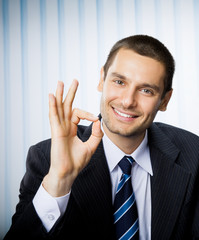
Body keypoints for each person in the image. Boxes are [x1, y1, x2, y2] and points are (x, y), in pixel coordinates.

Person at [4, 35, 199, 240]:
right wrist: (60, 180)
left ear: (164, 101)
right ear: (102, 79)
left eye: (146, 90)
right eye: (119, 81)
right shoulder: (46, 158)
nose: (127, 101)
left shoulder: (193, 155)